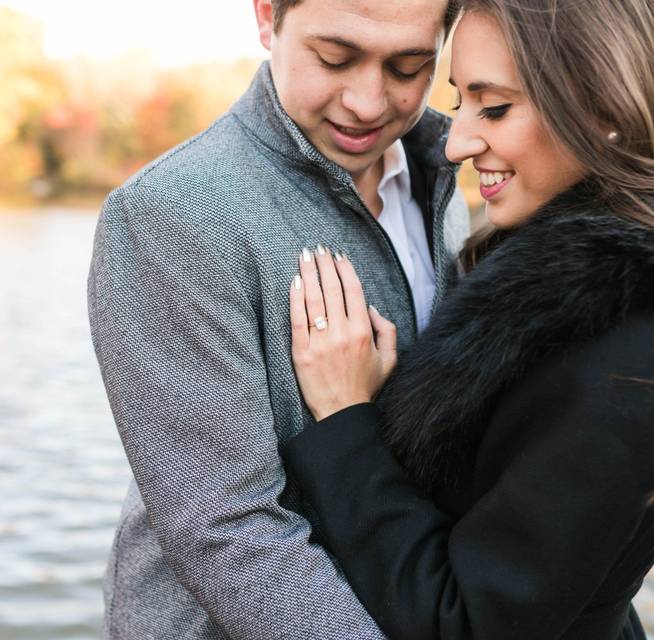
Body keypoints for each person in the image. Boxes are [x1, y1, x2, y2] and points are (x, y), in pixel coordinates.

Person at [281, 0, 654, 638]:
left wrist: (345, 421)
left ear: (605, 110)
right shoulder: (557, 281)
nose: (456, 143)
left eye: (493, 107)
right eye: (459, 100)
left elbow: (467, 625)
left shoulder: (638, 350)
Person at [86, 0, 469, 637]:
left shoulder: (467, 168)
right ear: (268, 17)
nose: (369, 102)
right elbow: (228, 530)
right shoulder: (174, 214)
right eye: (336, 59)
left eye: (409, 67)